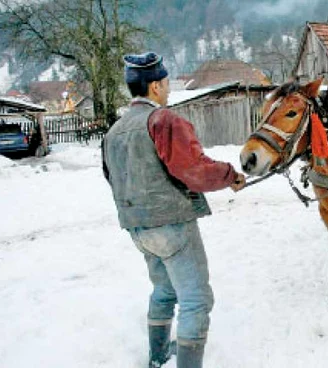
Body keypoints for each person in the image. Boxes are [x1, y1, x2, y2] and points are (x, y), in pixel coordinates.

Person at [102, 52, 246, 368]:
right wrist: (230, 175)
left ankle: (157, 359)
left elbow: (111, 177)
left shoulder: (114, 132)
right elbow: (192, 169)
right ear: (154, 86)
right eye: (165, 83)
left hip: (138, 228)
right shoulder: (164, 120)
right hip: (172, 225)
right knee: (196, 300)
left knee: (164, 291)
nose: (167, 90)